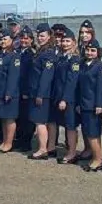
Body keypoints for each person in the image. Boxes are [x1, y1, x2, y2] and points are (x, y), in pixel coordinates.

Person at [48, 29, 81, 164]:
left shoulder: (75, 60)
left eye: (68, 41)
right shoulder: (62, 58)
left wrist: (65, 99)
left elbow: (71, 81)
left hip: (69, 99)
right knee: (65, 125)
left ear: (74, 42)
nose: (65, 43)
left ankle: (72, 153)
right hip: (59, 97)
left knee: (70, 126)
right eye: (63, 41)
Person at [77, 39, 102, 172]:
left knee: (93, 133)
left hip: (94, 105)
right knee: (88, 132)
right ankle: (95, 157)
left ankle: (98, 160)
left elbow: (101, 87)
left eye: (93, 50)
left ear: (97, 52)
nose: (89, 53)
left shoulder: (100, 66)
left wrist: (99, 105)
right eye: (88, 50)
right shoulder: (83, 65)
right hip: (84, 104)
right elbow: (79, 86)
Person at [28, 23, 57, 160]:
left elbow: (46, 76)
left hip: (42, 93)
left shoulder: (48, 53)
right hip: (40, 92)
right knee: (48, 122)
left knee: (40, 122)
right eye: (38, 36)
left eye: (42, 36)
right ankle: (50, 147)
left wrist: (40, 94)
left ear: (49, 36)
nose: (39, 38)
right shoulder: (42, 51)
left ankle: (42, 149)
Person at [0, 29, 21, 153]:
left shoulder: (14, 56)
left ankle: (9, 143)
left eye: (5, 39)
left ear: (11, 40)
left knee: (10, 119)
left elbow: (13, 76)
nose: (3, 41)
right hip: (0, 91)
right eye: (1, 39)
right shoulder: (0, 54)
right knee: (3, 118)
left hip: (10, 93)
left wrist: (9, 92)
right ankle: (5, 141)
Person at [14, 26, 35, 152]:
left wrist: (27, 91)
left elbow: (31, 75)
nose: (23, 40)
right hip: (16, 89)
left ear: (31, 40)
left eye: (26, 38)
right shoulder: (16, 52)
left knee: (27, 119)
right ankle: (20, 140)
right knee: (19, 117)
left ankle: (26, 142)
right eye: (22, 38)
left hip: (26, 90)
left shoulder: (32, 54)